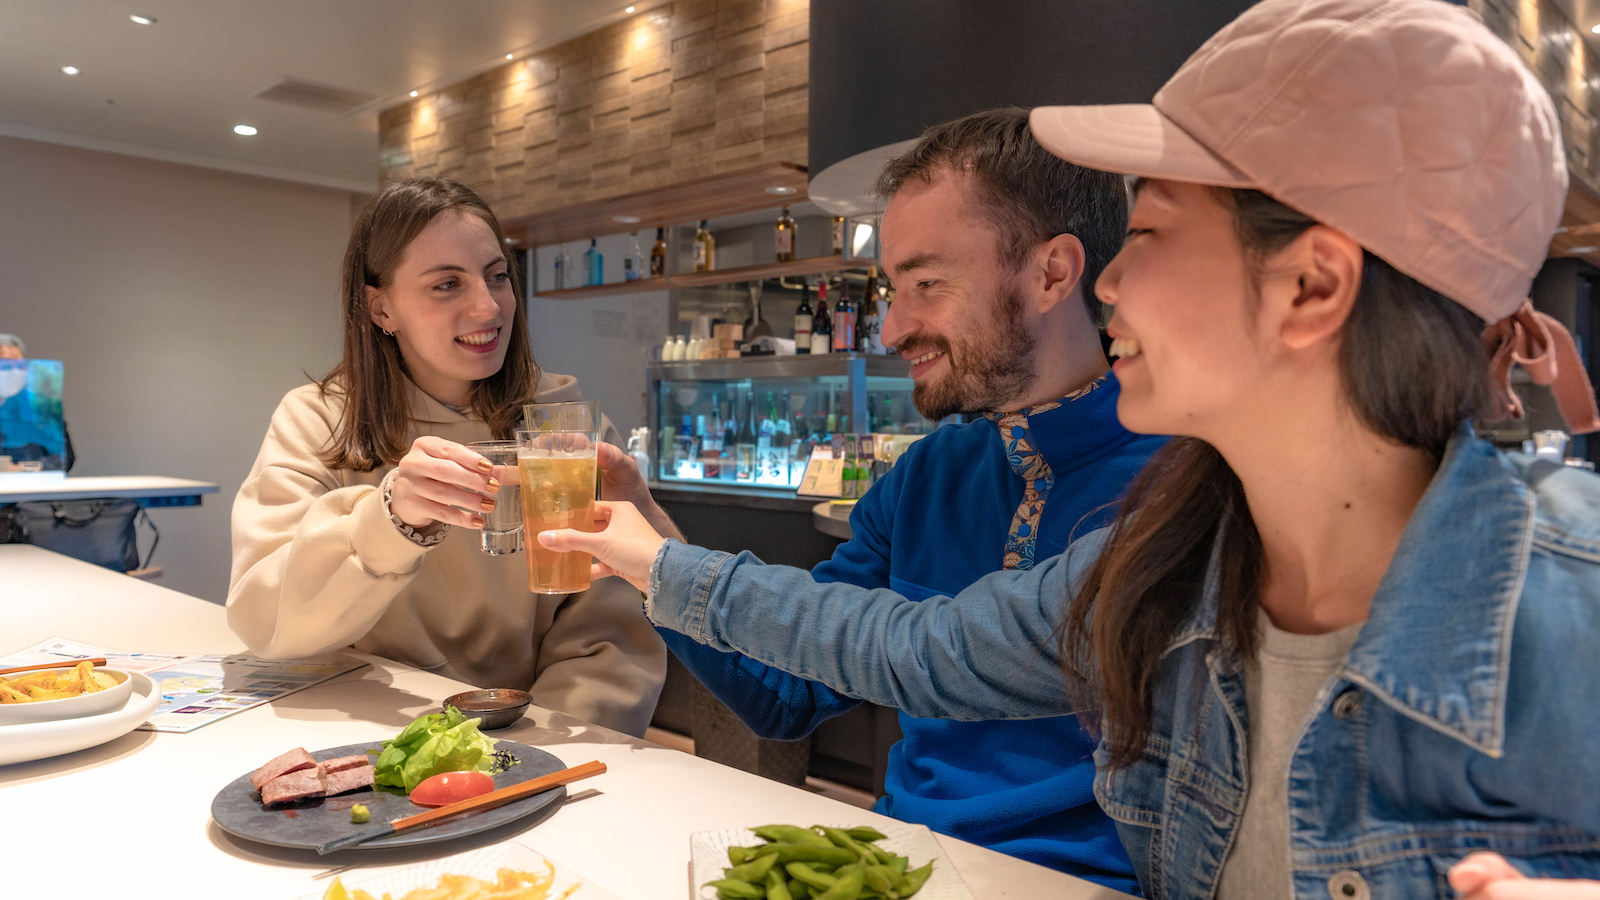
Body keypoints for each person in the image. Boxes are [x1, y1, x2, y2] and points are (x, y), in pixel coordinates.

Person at [540, 0, 1600, 896]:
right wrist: (649, 555)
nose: (1107, 282)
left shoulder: (1567, 606)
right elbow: (910, 650)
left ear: (1310, 287)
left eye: (1147, 235)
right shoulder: (1173, 561)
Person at [632, 109, 1163, 888]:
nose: (891, 329)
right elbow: (784, 696)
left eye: (926, 283)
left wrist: (667, 569)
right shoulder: (926, 473)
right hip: (898, 864)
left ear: (1053, 273)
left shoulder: (1181, 483)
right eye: (890, 288)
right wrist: (645, 547)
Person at [227, 177, 665, 737]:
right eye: (447, 284)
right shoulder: (320, 420)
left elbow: (612, 639)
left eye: (497, 276)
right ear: (380, 307)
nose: (488, 306)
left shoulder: (565, 427)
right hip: (369, 732)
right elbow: (266, 623)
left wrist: (530, 750)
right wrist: (389, 520)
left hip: (538, 741)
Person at [0, 333, 76, 472]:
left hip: (30, 489)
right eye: (5, 366)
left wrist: (21, 470)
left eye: (19, 366)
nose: (13, 371)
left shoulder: (41, 407)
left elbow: (64, 458)